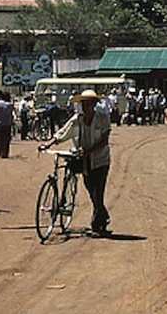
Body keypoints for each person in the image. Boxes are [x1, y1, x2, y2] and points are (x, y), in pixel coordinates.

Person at [42, 89, 112, 237]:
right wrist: (48, 144)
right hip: (85, 160)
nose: (85, 106)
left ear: (94, 104)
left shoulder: (102, 118)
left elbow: (104, 139)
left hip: (101, 160)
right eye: (83, 103)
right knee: (90, 189)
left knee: (98, 192)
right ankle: (102, 216)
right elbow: (63, 132)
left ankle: (97, 223)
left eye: (88, 103)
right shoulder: (77, 119)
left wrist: (89, 150)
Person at [0, 92, 15, 158]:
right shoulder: (10, 105)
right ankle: (5, 153)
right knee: (6, 139)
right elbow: (11, 115)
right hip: (7, 124)